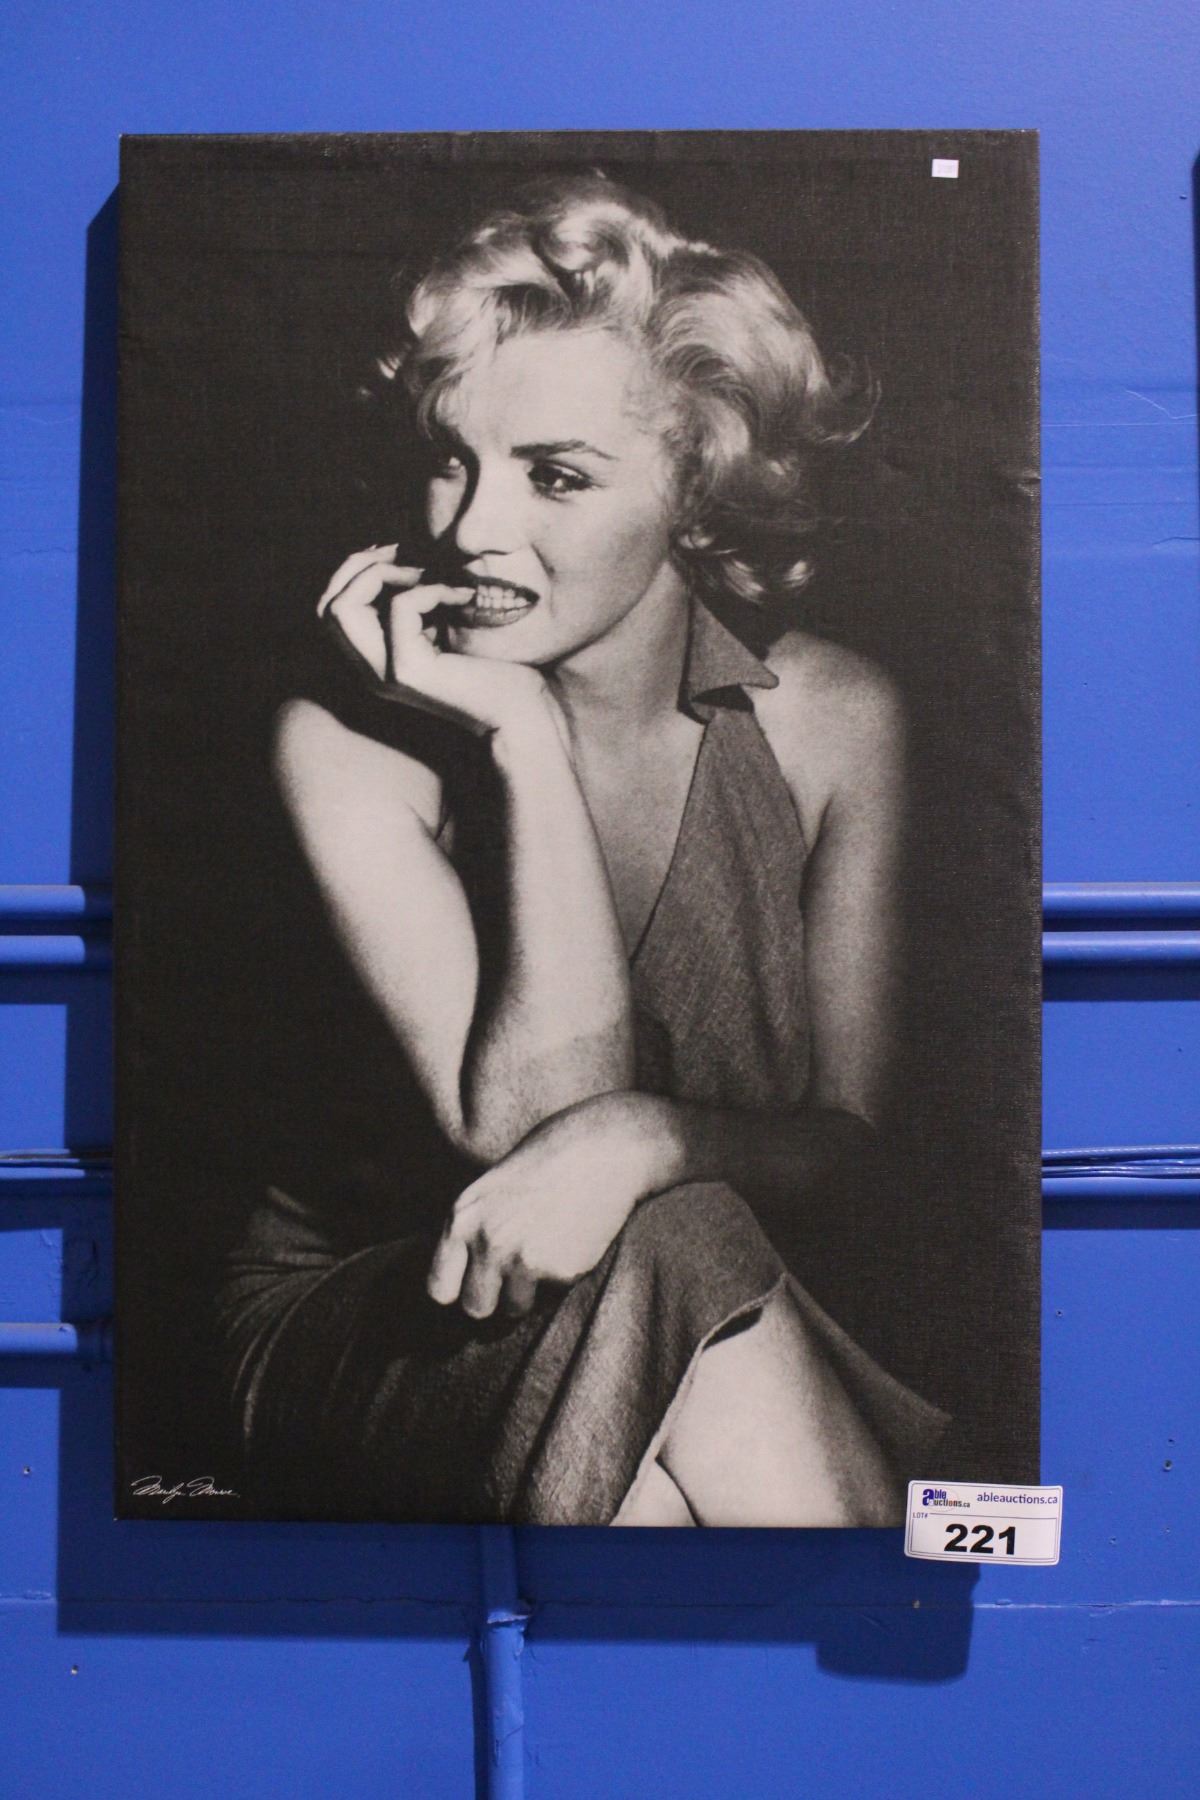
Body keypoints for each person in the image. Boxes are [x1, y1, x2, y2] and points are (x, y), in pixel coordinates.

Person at [214, 173, 948, 1526]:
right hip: (377, 1325)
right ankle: (905, 1633)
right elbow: (526, 1134)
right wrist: (522, 738)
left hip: (699, 1305)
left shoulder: (836, 722)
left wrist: (651, 1140)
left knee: (668, 1365)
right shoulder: (343, 741)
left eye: (554, 475)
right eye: (452, 455)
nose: (466, 529)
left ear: (701, 494)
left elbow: (856, 1153)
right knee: (681, 1242)